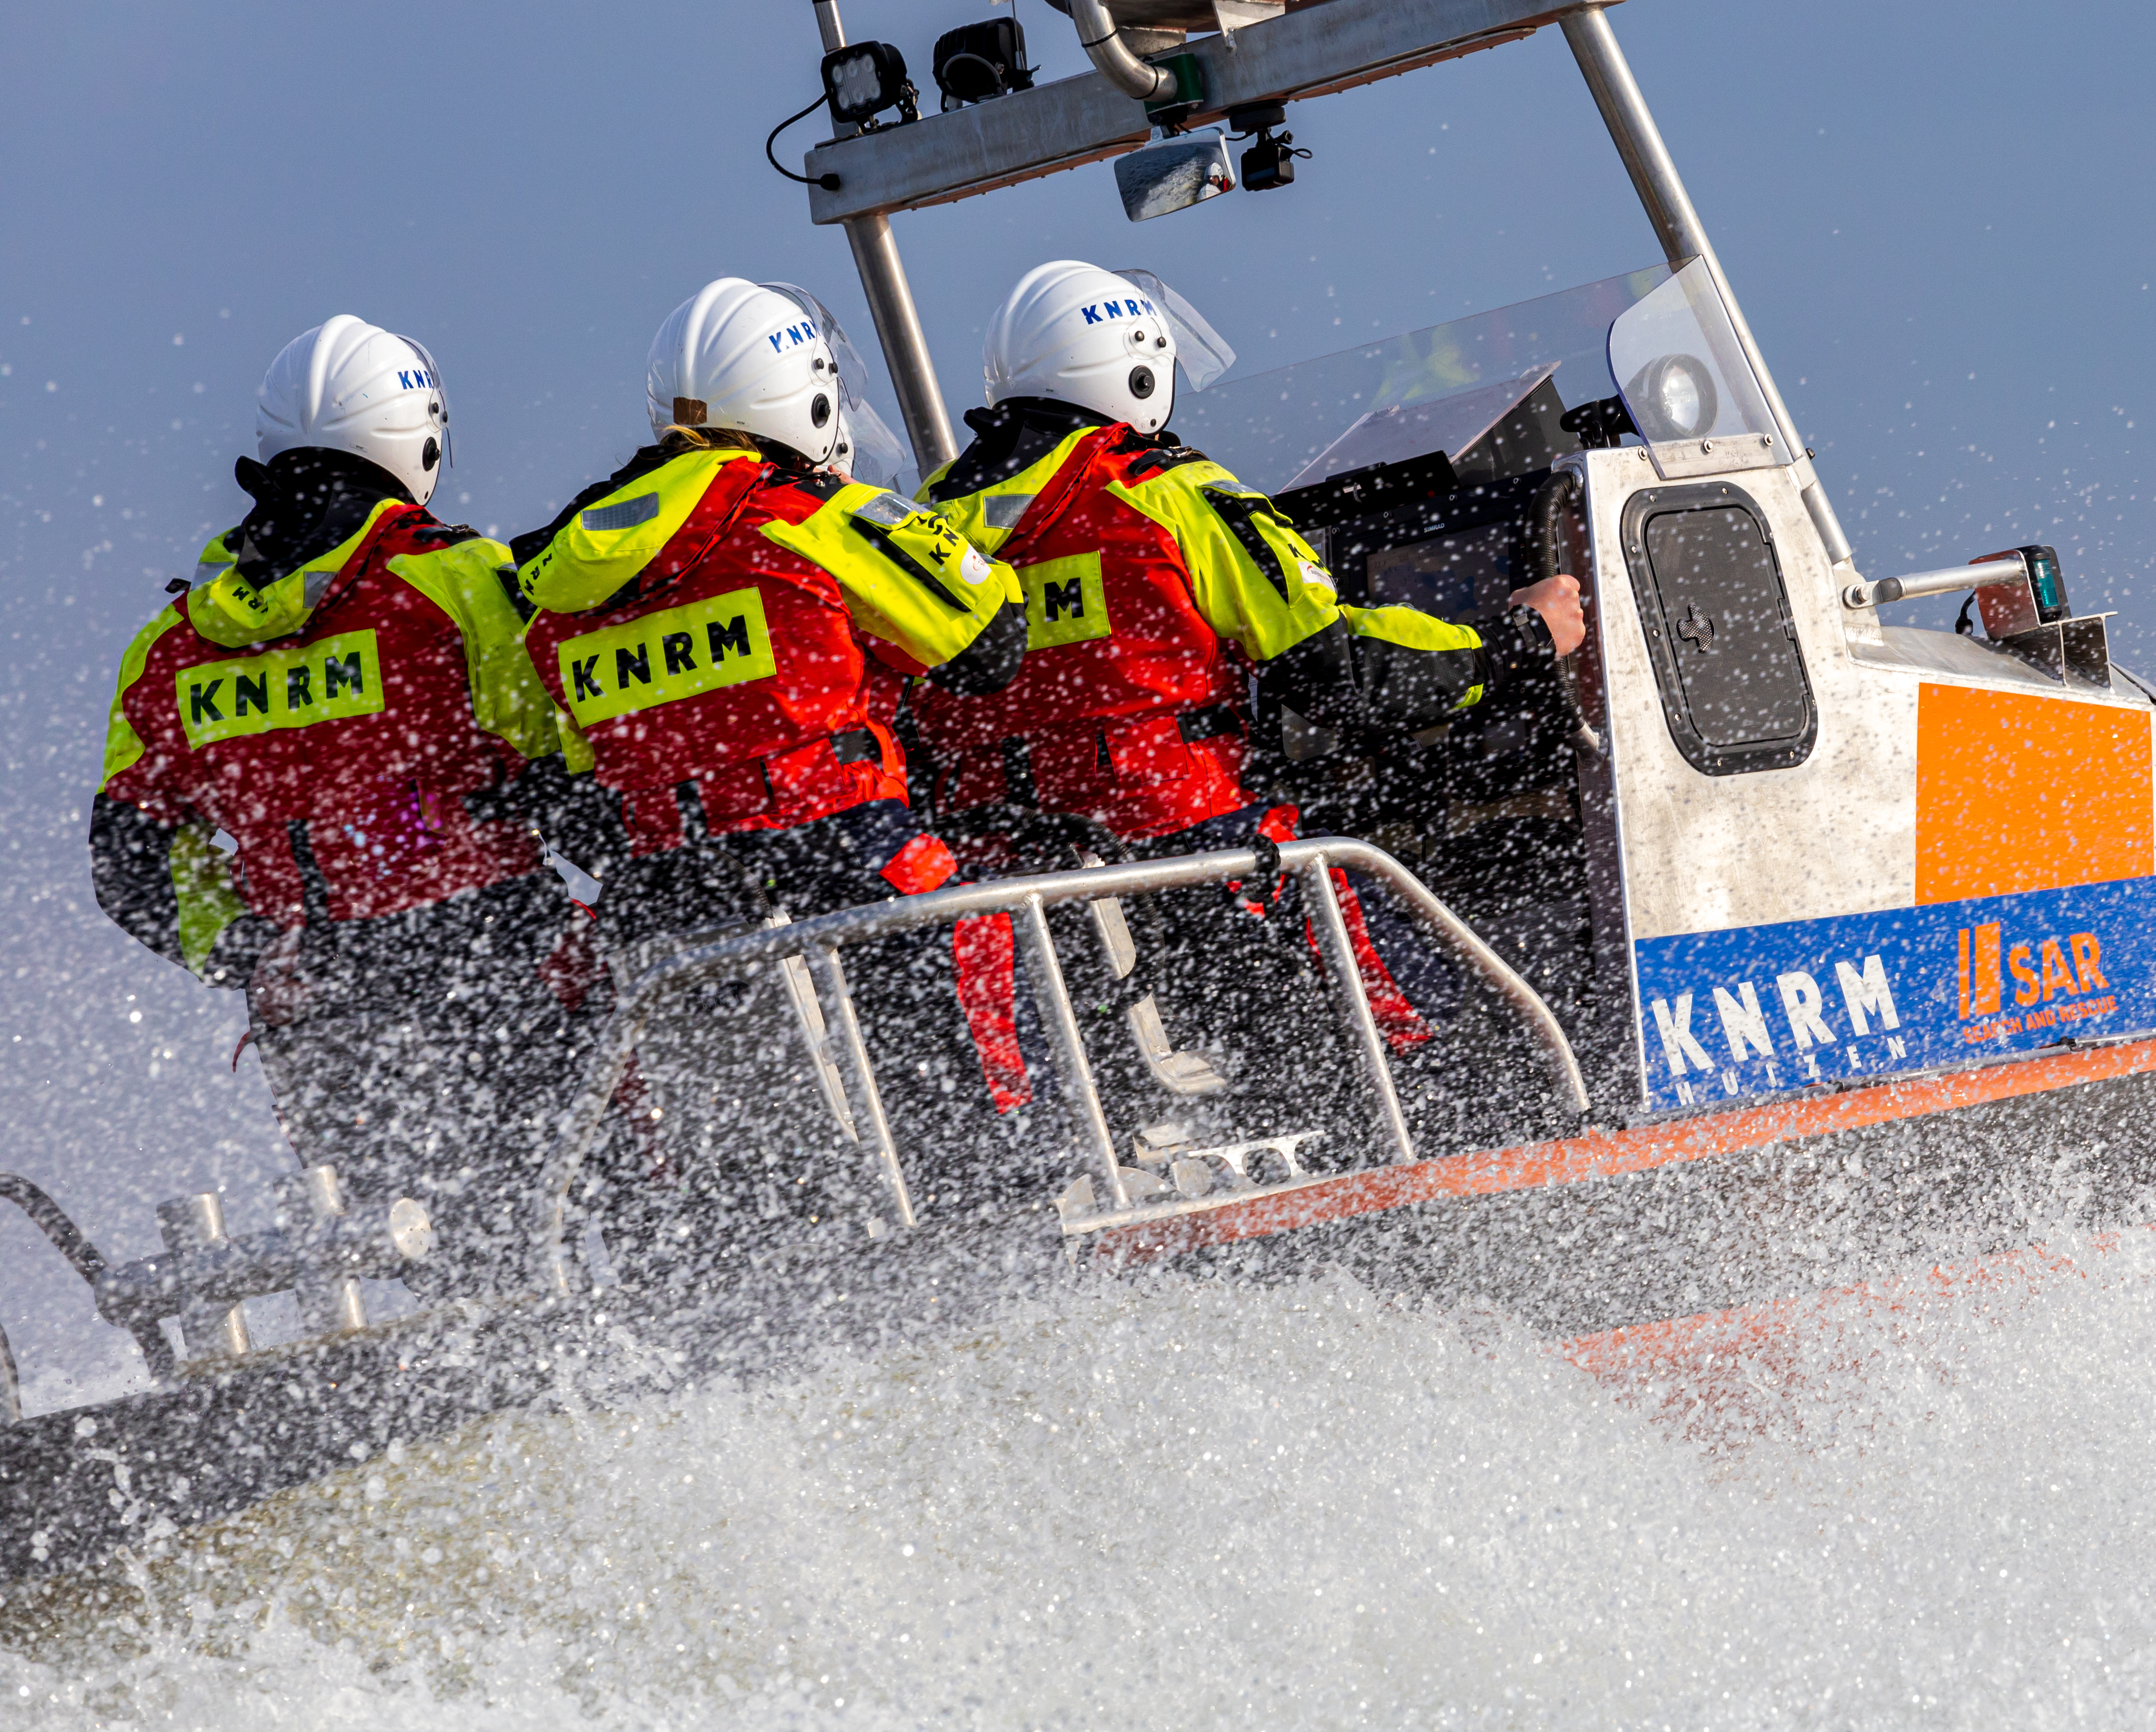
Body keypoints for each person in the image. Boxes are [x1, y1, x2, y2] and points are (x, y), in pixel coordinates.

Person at [903, 259, 1583, 1154]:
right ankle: (1496, 1148)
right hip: (1206, 875)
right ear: (1138, 372)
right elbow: (1343, 671)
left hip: (1020, 901)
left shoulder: (922, 528)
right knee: (1441, 1042)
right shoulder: (1167, 496)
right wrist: (1517, 640)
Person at [513, 277, 1027, 1231]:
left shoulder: (558, 575)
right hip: (840, 858)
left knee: (740, 1104)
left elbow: (557, 765)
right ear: (812, 398)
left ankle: (768, 1230)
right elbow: (991, 642)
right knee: (972, 922)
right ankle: (994, 1197)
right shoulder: (811, 519)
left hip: (663, 891)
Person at [90, 315, 586, 1279]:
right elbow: (574, 754)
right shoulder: (457, 582)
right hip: (498, 963)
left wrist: (247, 947)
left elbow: (129, 863)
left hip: (311, 998)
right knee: (571, 1208)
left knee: (419, 1259)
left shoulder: (173, 645)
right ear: (418, 441)